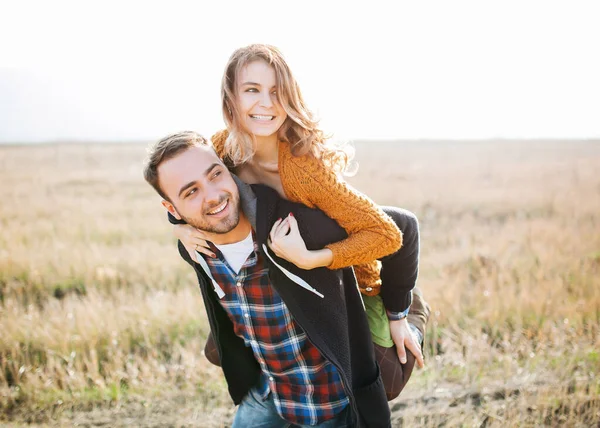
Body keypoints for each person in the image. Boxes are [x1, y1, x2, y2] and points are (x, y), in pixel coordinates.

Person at [172, 44, 427, 398]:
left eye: (277, 92)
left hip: (340, 279)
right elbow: (183, 190)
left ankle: (411, 312)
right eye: (252, 90)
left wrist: (313, 259)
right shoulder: (220, 150)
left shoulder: (304, 169)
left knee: (385, 383)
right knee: (220, 352)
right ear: (230, 96)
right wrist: (182, 227)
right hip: (273, 280)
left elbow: (387, 233)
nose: (266, 103)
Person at [143, 131, 420, 426]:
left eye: (215, 175)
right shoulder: (195, 249)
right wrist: (178, 227)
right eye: (191, 192)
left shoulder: (295, 229)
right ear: (173, 209)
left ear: (230, 172)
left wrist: (398, 312)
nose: (212, 195)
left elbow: (402, 225)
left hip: (332, 401)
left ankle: (418, 314)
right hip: (268, 393)